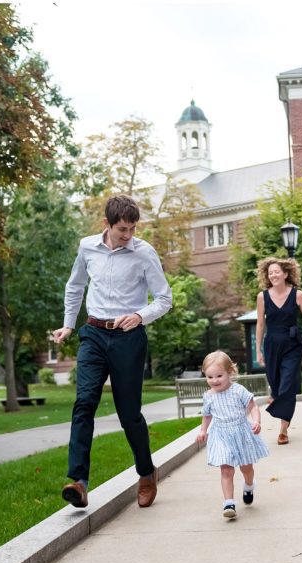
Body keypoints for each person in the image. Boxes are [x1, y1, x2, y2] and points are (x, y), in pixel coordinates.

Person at [52, 194, 172, 509]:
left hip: (128, 338)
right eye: (122, 229)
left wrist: (139, 316)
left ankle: (146, 473)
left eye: (132, 229)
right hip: (93, 333)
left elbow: (163, 298)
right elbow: (75, 286)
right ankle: (78, 481)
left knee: (129, 414)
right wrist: (68, 325)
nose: (128, 235)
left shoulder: (144, 253)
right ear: (106, 223)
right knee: (84, 403)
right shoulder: (87, 247)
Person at [254, 257, 302, 445]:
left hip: (292, 345)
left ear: (286, 274)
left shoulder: (298, 295)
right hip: (272, 345)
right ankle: (280, 407)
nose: (273, 275)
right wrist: (258, 351)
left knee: (287, 385)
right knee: (278, 386)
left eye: (276, 271)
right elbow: (260, 325)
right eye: (270, 273)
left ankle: (283, 430)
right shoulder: (262, 297)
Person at [196, 351, 269, 519]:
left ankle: (249, 485)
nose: (214, 380)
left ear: (230, 372)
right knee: (226, 470)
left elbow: (253, 407)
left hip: (241, 432)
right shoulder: (208, 396)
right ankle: (229, 503)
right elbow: (207, 415)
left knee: (246, 468)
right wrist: (202, 431)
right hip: (220, 435)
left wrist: (257, 421)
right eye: (210, 377)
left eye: (219, 375)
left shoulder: (238, 391)